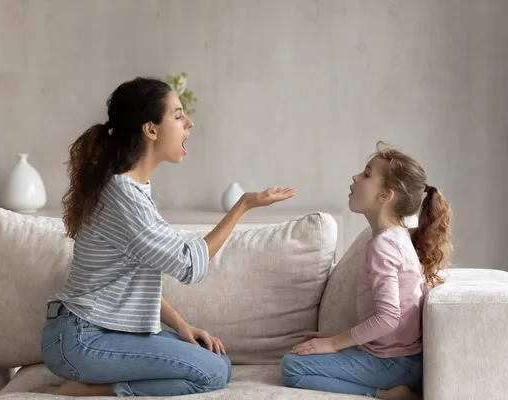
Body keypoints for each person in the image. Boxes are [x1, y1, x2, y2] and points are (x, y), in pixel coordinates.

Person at [32, 77, 296, 397]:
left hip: (100, 332)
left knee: (217, 361)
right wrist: (243, 206)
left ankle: (93, 382)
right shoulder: (122, 195)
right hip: (81, 340)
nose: (189, 122)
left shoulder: (133, 189)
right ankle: (88, 389)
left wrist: (181, 325)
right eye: (178, 114)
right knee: (212, 371)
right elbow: (188, 264)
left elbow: (129, 279)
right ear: (151, 129)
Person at [280, 142, 452, 400]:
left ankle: (388, 394)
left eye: (367, 174)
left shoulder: (383, 245)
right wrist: (340, 337)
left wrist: (333, 344)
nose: (356, 177)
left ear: (385, 196)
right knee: (299, 353)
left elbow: (389, 318)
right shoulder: (397, 236)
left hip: (393, 365)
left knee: (292, 367)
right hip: (402, 359)